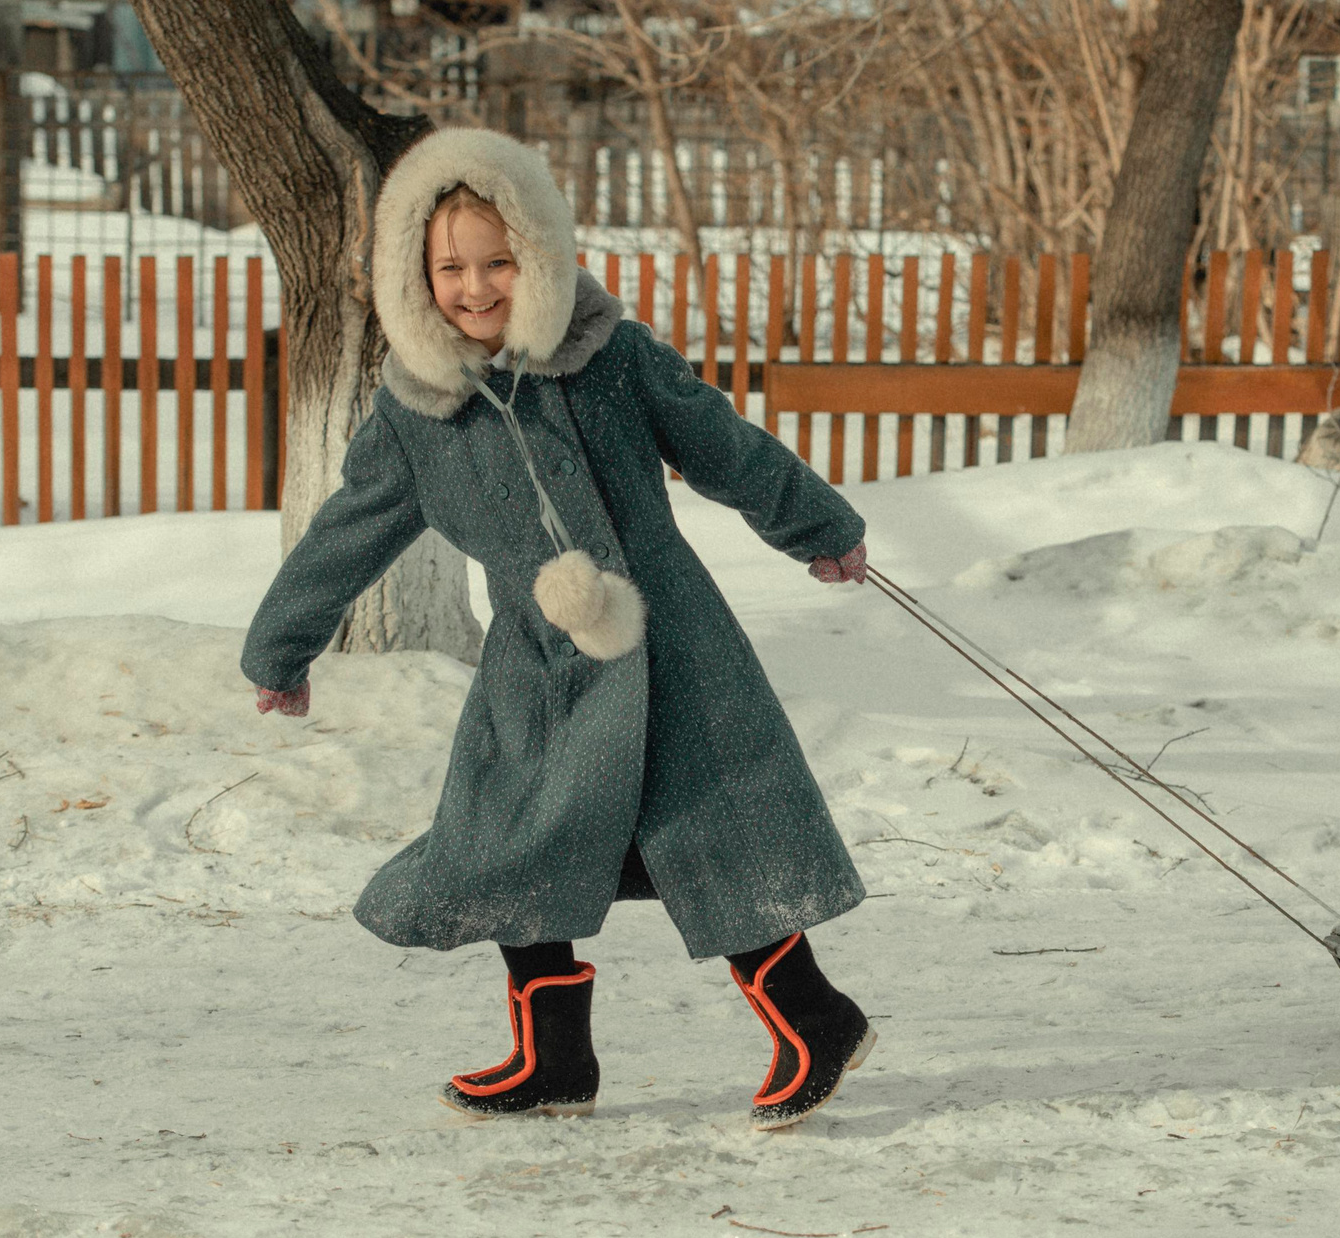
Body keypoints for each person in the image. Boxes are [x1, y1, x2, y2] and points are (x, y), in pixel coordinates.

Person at [242, 128, 876, 1128]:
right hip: (537, 666)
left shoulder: (605, 354)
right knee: (507, 841)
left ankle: (814, 1018)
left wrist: (817, 526)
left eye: (498, 260)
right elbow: (348, 530)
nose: (477, 285)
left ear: (537, 253)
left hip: (668, 641)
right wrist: (283, 645)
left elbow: (717, 441)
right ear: (416, 276)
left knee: (706, 830)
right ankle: (553, 1059)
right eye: (450, 266)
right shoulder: (418, 412)